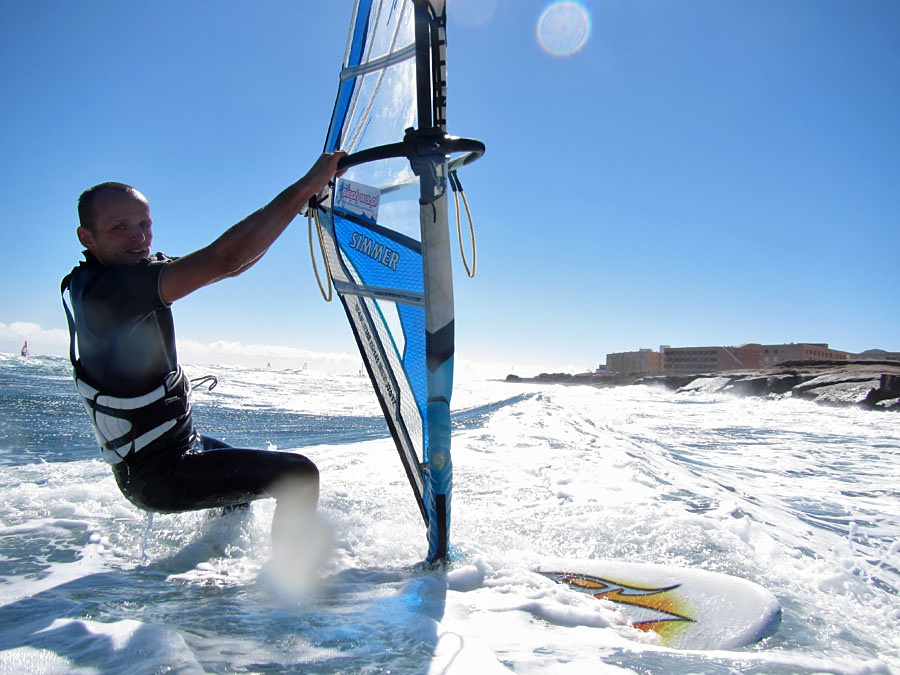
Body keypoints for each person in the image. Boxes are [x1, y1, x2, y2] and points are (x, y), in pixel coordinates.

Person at [61, 151, 345, 538]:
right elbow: (226, 259)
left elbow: (232, 263)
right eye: (120, 227)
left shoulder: (113, 278)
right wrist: (306, 186)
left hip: (177, 450)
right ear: (87, 237)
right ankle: (289, 591)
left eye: (145, 224)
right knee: (297, 475)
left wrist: (299, 203)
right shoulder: (110, 292)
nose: (139, 236)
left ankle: (213, 573)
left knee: (239, 493)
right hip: (158, 475)